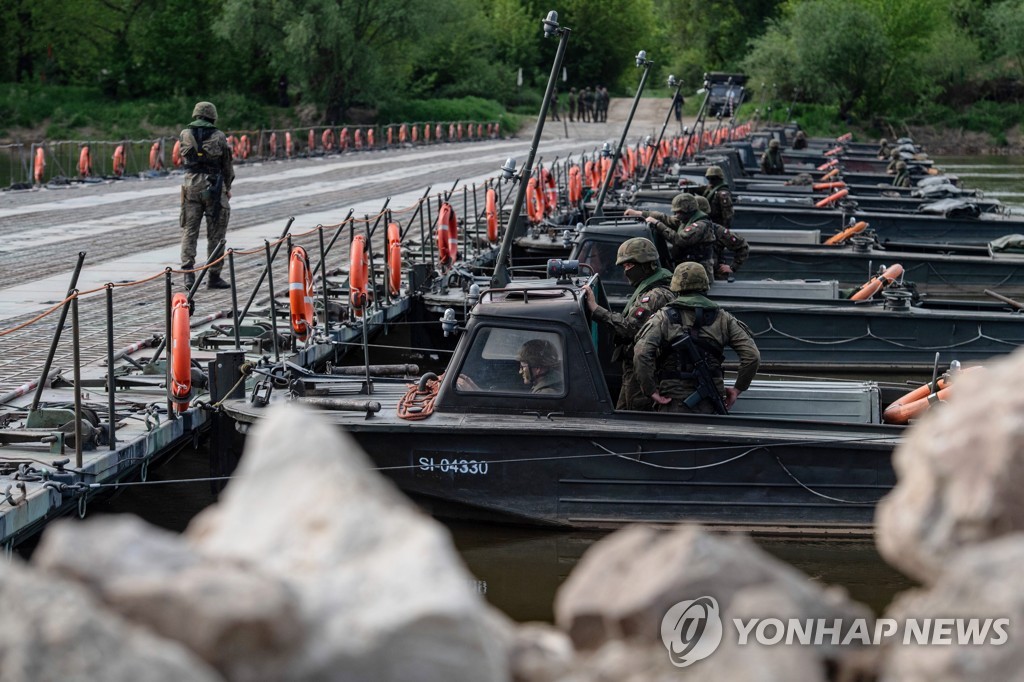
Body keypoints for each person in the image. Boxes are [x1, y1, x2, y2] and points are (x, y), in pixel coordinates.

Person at [633, 262, 760, 414]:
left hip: (672, 400)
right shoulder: (724, 318)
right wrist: (738, 388)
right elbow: (752, 356)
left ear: (675, 285)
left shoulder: (663, 317)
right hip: (711, 404)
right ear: (705, 284)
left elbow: (641, 353)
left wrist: (650, 390)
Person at [582, 237, 675, 410]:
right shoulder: (651, 289)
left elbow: (630, 328)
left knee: (634, 416)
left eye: (629, 266)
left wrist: (596, 309)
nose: (626, 272)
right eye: (624, 266)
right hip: (635, 370)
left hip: (644, 371)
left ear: (646, 265)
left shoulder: (655, 295)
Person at [179, 101, 234, 289]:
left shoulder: (185, 134)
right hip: (214, 187)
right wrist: (227, 186)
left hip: (190, 187)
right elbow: (227, 165)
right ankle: (214, 275)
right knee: (216, 232)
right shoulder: (219, 136)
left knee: (189, 230)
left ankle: (188, 274)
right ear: (213, 116)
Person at [623, 193, 717, 280]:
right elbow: (665, 218)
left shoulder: (700, 225)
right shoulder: (687, 220)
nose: (676, 215)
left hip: (698, 275)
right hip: (688, 270)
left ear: (687, 211)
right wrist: (640, 213)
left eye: (678, 212)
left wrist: (657, 224)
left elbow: (679, 240)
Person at [695, 194, 749, 281]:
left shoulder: (716, 230)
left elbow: (742, 246)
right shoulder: (687, 229)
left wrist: (733, 267)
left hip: (714, 278)